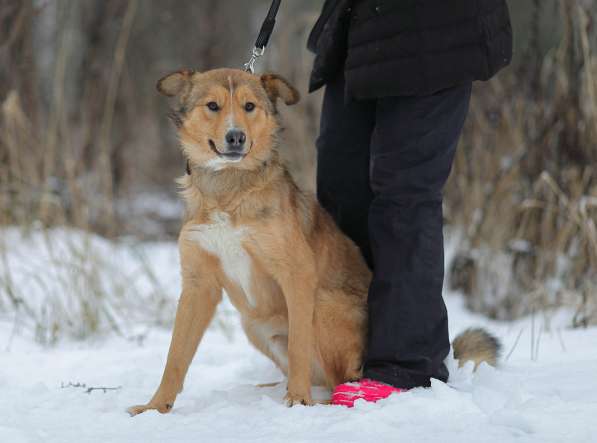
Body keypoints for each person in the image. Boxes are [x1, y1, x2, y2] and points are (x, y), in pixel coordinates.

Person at [307, 0, 512, 406]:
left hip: (436, 32)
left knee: (405, 192)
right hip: (362, 30)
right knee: (340, 187)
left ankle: (406, 362)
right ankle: (347, 348)